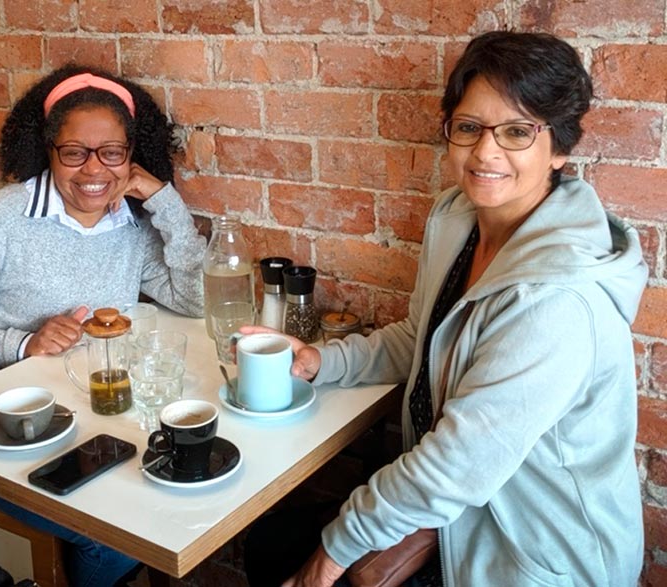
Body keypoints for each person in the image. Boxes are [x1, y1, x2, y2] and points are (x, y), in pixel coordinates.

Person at [244, 31, 645, 587]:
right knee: (267, 540)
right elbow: (422, 338)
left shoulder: (556, 299)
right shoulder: (458, 218)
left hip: (528, 555)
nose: (486, 152)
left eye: (516, 131)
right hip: (456, 517)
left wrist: (330, 558)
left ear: (559, 149)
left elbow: (456, 466)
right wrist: (320, 362)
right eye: (469, 128)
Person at [0, 64, 206, 586]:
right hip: (5, 437)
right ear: (49, 150)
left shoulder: (129, 224)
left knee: (168, 500)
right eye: (74, 152)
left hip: (96, 426)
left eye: (112, 152)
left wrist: (163, 201)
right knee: (109, 536)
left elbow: (196, 298)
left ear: (132, 156)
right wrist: (24, 344)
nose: (94, 169)